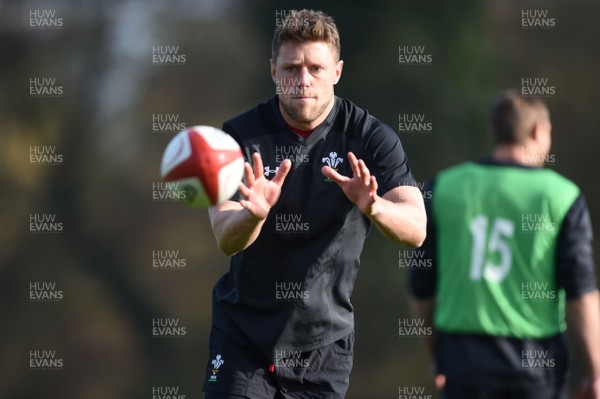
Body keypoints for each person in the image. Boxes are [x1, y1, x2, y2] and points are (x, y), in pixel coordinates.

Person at [202, 9, 426, 399]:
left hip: (324, 345)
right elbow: (226, 237)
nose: (302, 81)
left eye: (315, 68)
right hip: (243, 338)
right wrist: (253, 215)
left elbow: (417, 230)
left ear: (337, 71)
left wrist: (375, 207)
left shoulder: (371, 139)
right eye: (291, 68)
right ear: (273, 70)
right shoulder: (237, 137)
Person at [409, 90, 600, 399]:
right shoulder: (561, 195)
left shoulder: (444, 187)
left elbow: (421, 287)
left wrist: (437, 356)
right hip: (535, 361)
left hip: (463, 357)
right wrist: (595, 371)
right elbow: (581, 293)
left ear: (495, 131)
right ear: (538, 131)